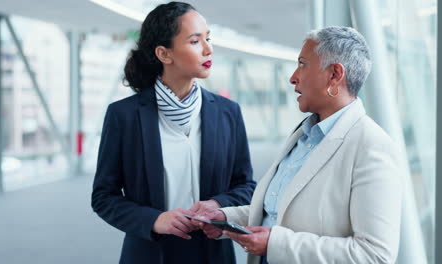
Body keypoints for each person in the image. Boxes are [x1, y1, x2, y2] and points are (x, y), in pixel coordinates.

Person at [200, 26, 403, 264]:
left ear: (335, 74)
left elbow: (375, 255)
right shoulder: (304, 136)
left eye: (303, 64)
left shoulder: (371, 146)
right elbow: (278, 213)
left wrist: (276, 244)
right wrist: (224, 218)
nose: (293, 77)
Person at [91, 2, 256, 264]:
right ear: (164, 54)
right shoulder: (124, 115)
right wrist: (154, 220)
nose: (208, 48)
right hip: (149, 253)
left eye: (208, 38)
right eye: (194, 41)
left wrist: (218, 205)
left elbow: (246, 185)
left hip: (213, 254)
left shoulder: (228, 113)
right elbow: (103, 197)